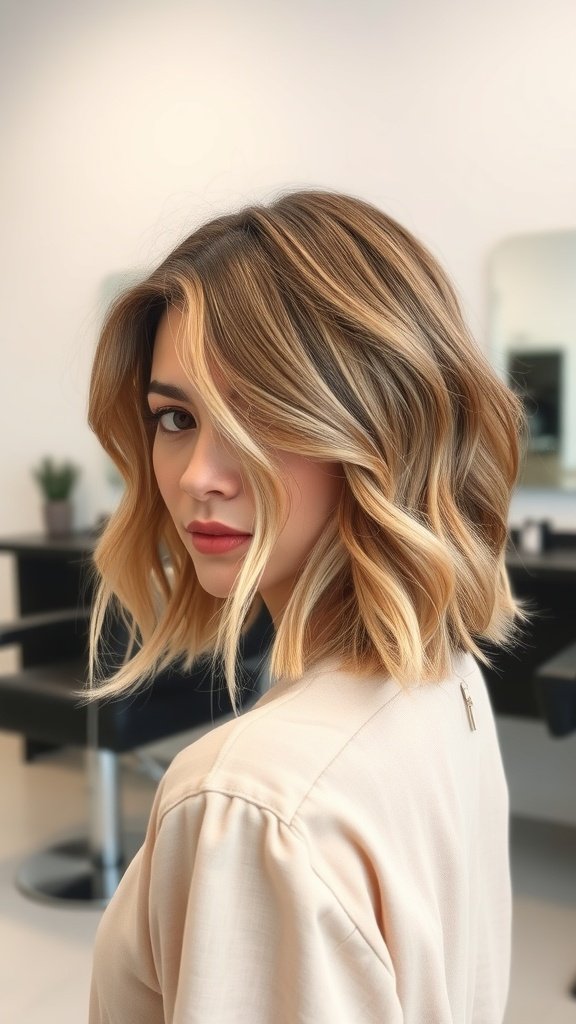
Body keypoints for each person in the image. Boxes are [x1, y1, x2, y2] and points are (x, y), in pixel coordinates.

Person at [87, 188, 524, 1024]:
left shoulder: (249, 804)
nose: (197, 476)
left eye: (257, 413)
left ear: (382, 427)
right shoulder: (449, 677)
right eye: (175, 417)